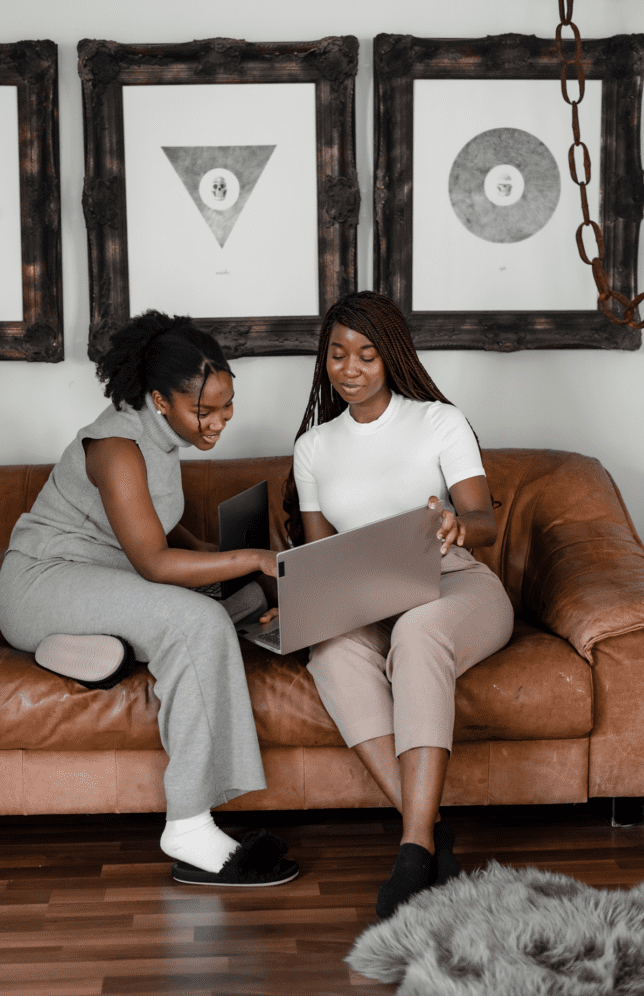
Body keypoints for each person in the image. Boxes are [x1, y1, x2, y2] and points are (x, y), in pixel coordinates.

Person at [0, 310, 297, 889]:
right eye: (203, 411)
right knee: (196, 623)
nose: (218, 423)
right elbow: (154, 562)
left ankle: (95, 648)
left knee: (232, 603)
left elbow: (155, 528)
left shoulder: (161, 437)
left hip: (104, 580)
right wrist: (256, 558)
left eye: (226, 406)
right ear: (160, 401)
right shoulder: (117, 446)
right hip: (44, 582)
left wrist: (224, 564)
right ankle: (188, 825)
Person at [284, 291, 514, 918]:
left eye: (365, 354)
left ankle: (414, 849)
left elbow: (484, 521)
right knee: (328, 648)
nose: (349, 368)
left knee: (418, 633)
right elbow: (319, 553)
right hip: (365, 596)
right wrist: (297, 602)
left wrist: (457, 527)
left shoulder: (439, 421)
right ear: (324, 360)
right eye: (337, 354)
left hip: (454, 581)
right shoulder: (313, 447)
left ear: (392, 357)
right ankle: (434, 827)